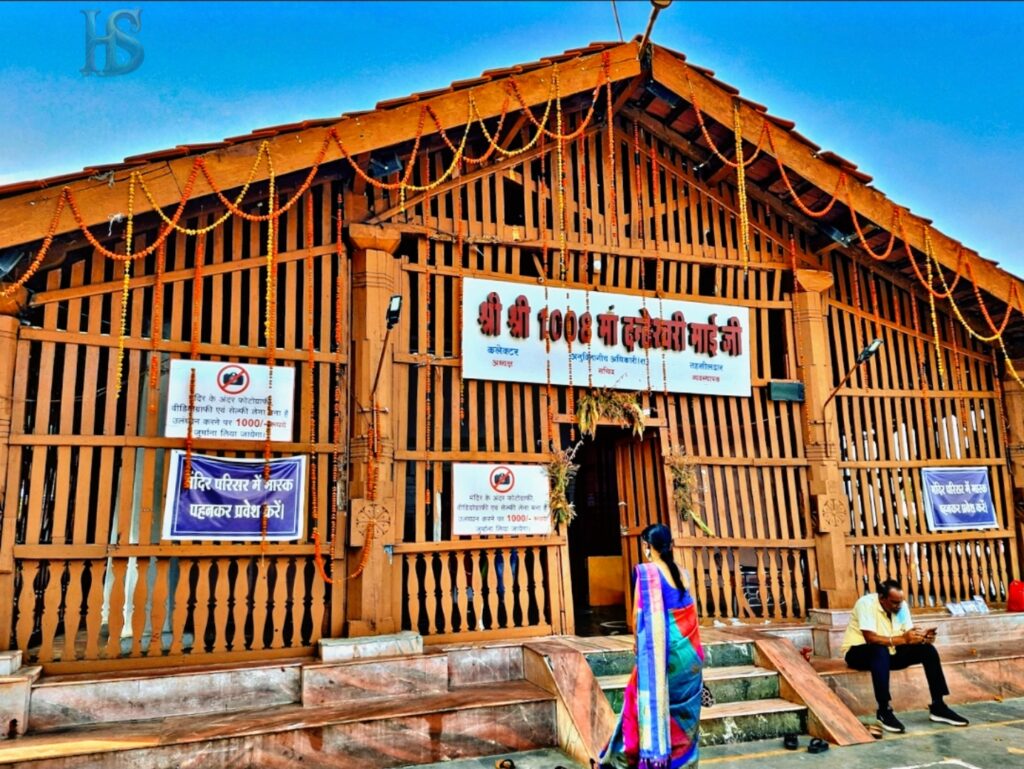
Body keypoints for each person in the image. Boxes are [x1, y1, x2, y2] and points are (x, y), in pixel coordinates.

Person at [596, 524, 703, 769]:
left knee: (637, 700)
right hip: (689, 656)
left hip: (662, 654)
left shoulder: (647, 574)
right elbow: (686, 612)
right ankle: (682, 761)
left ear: (647, 546)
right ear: (671, 546)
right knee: (682, 711)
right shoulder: (684, 574)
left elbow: (637, 616)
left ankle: (630, 757)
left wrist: (638, 644)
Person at [841, 579, 969, 733]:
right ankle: (884, 710)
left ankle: (938, 706)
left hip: (891, 654)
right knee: (879, 649)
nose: (898, 606)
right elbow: (870, 638)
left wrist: (922, 638)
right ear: (881, 598)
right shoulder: (865, 604)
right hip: (859, 653)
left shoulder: (901, 607)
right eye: (894, 603)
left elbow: (908, 635)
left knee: (927, 650)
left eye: (900, 602)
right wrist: (903, 639)